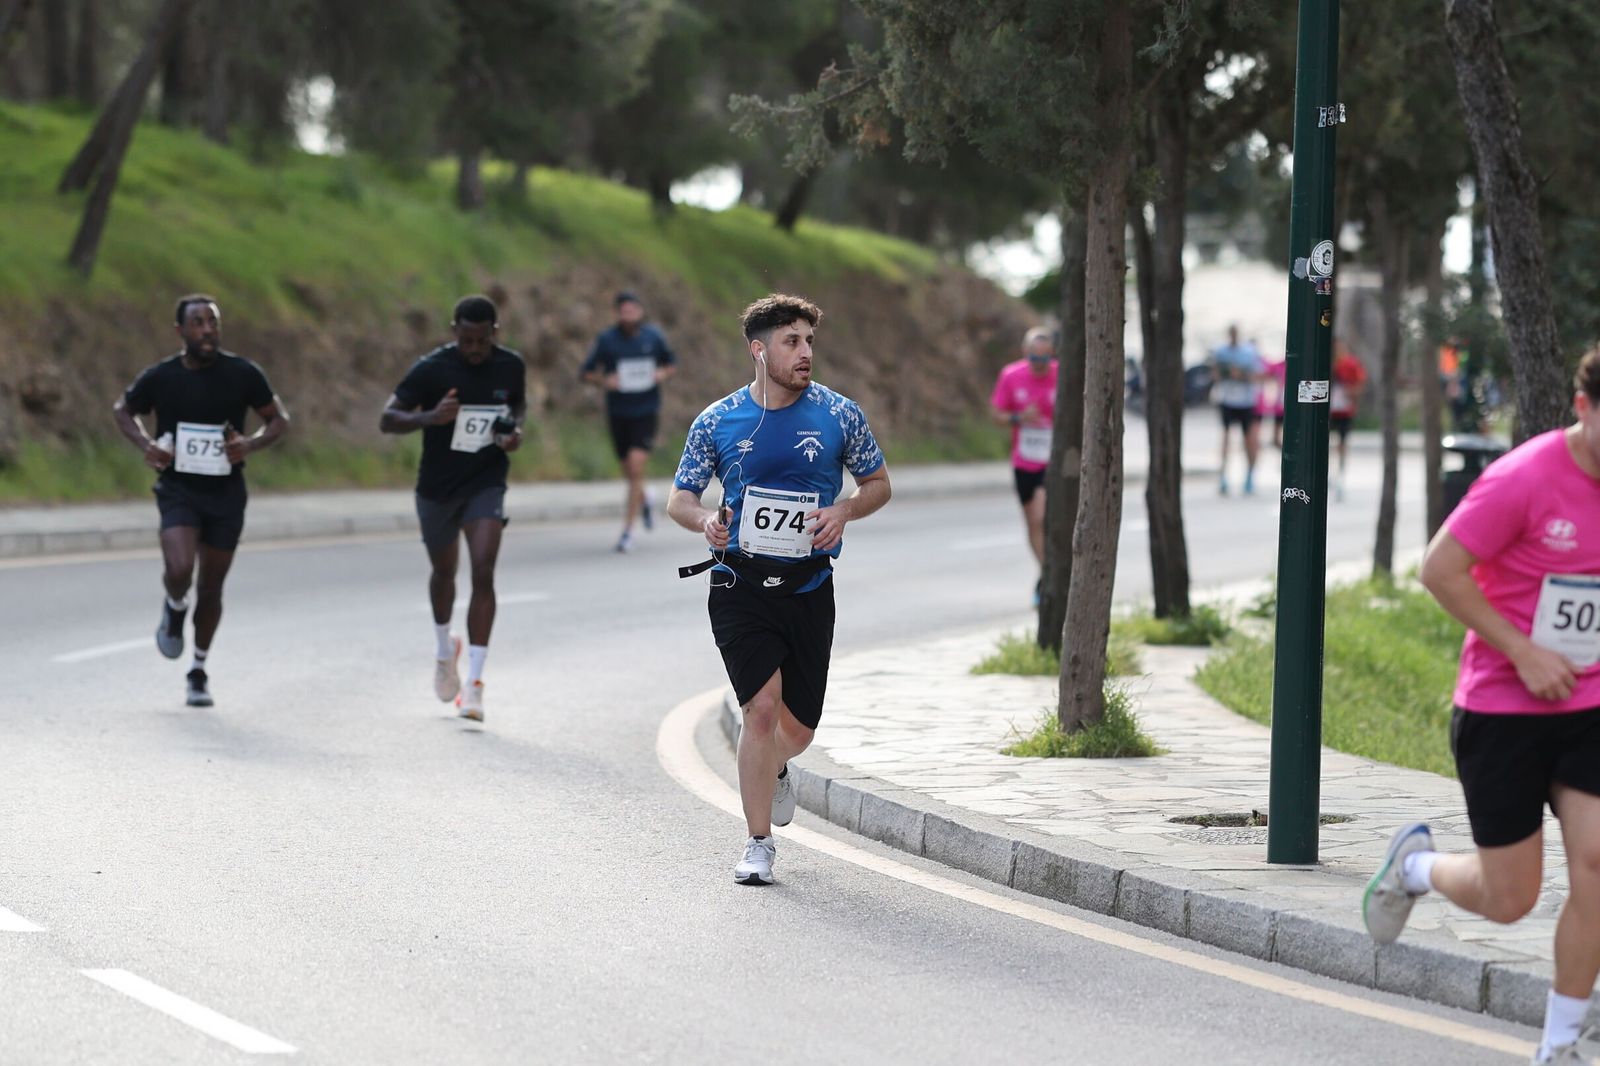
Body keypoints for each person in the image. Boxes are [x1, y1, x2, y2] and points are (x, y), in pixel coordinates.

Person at [1363, 347, 1600, 1066]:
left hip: (1590, 702)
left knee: (1597, 864)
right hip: (1504, 708)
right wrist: (1523, 651)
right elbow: (1440, 569)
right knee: (1510, 900)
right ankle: (1417, 869)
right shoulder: (1524, 478)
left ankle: (1561, 1042)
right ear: (1584, 408)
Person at [668, 294, 890, 886]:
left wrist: (845, 510)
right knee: (759, 711)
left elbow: (878, 484)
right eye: (792, 342)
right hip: (738, 583)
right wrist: (703, 522)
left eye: (810, 342)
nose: (806, 353)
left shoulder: (840, 415)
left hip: (809, 586)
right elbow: (680, 498)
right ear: (759, 351)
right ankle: (758, 843)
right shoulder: (717, 421)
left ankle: (775, 768)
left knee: (798, 729)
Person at [112, 294, 290, 707]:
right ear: (180, 331)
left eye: (213, 322)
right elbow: (123, 409)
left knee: (211, 587)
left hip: (226, 494)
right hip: (179, 489)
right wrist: (147, 444)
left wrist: (251, 444)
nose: (207, 330)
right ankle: (174, 605)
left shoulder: (243, 373)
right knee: (179, 568)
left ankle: (198, 668)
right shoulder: (162, 377)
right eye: (197, 323)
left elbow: (279, 419)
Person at [380, 295, 526, 723]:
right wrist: (430, 417)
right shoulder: (433, 368)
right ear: (454, 331)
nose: (474, 349)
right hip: (437, 489)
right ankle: (445, 650)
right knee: (444, 573)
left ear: (494, 334)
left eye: (481, 340)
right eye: (466, 340)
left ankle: (475, 684)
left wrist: (512, 431)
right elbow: (387, 419)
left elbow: (516, 405)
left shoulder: (510, 365)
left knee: (483, 568)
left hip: (485, 481)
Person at [581, 291, 678, 553]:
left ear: (640, 312)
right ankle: (645, 498)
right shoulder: (607, 340)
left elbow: (671, 363)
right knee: (628, 470)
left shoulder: (653, 337)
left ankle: (627, 532)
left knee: (636, 468)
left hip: (645, 411)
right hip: (618, 413)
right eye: (623, 311)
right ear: (616, 314)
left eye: (632, 310)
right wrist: (605, 381)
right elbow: (586, 372)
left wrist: (661, 373)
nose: (628, 315)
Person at [990, 327, 1057, 604]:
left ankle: (1051, 576)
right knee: (1033, 520)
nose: (1039, 366)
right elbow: (996, 414)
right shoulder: (1011, 375)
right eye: (1034, 359)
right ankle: (1047, 574)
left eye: (1044, 360)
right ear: (1025, 353)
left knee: (1045, 517)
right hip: (1025, 460)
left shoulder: (1061, 374)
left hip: (1055, 460)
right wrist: (1019, 418)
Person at [1211, 324, 1264, 495]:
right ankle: (1223, 476)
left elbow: (1258, 376)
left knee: (1248, 439)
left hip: (1246, 401)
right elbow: (1215, 374)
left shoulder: (1249, 353)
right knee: (1226, 437)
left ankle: (1249, 475)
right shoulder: (1221, 352)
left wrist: (1240, 375)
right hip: (1227, 399)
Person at [1329, 341, 1368, 501]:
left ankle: (1340, 474)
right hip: (1328, 410)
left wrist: (1350, 393)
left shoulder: (1351, 364)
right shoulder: (1326, 362)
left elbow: (1360, 384)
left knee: (1342, 444)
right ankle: (1328, 473)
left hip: (1344, 411)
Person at [1260, 349, 1287, 449]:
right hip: (1280, 397)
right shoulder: (1279, 365)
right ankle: (1276, 440)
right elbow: (1268, 372)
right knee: (1278, 419)